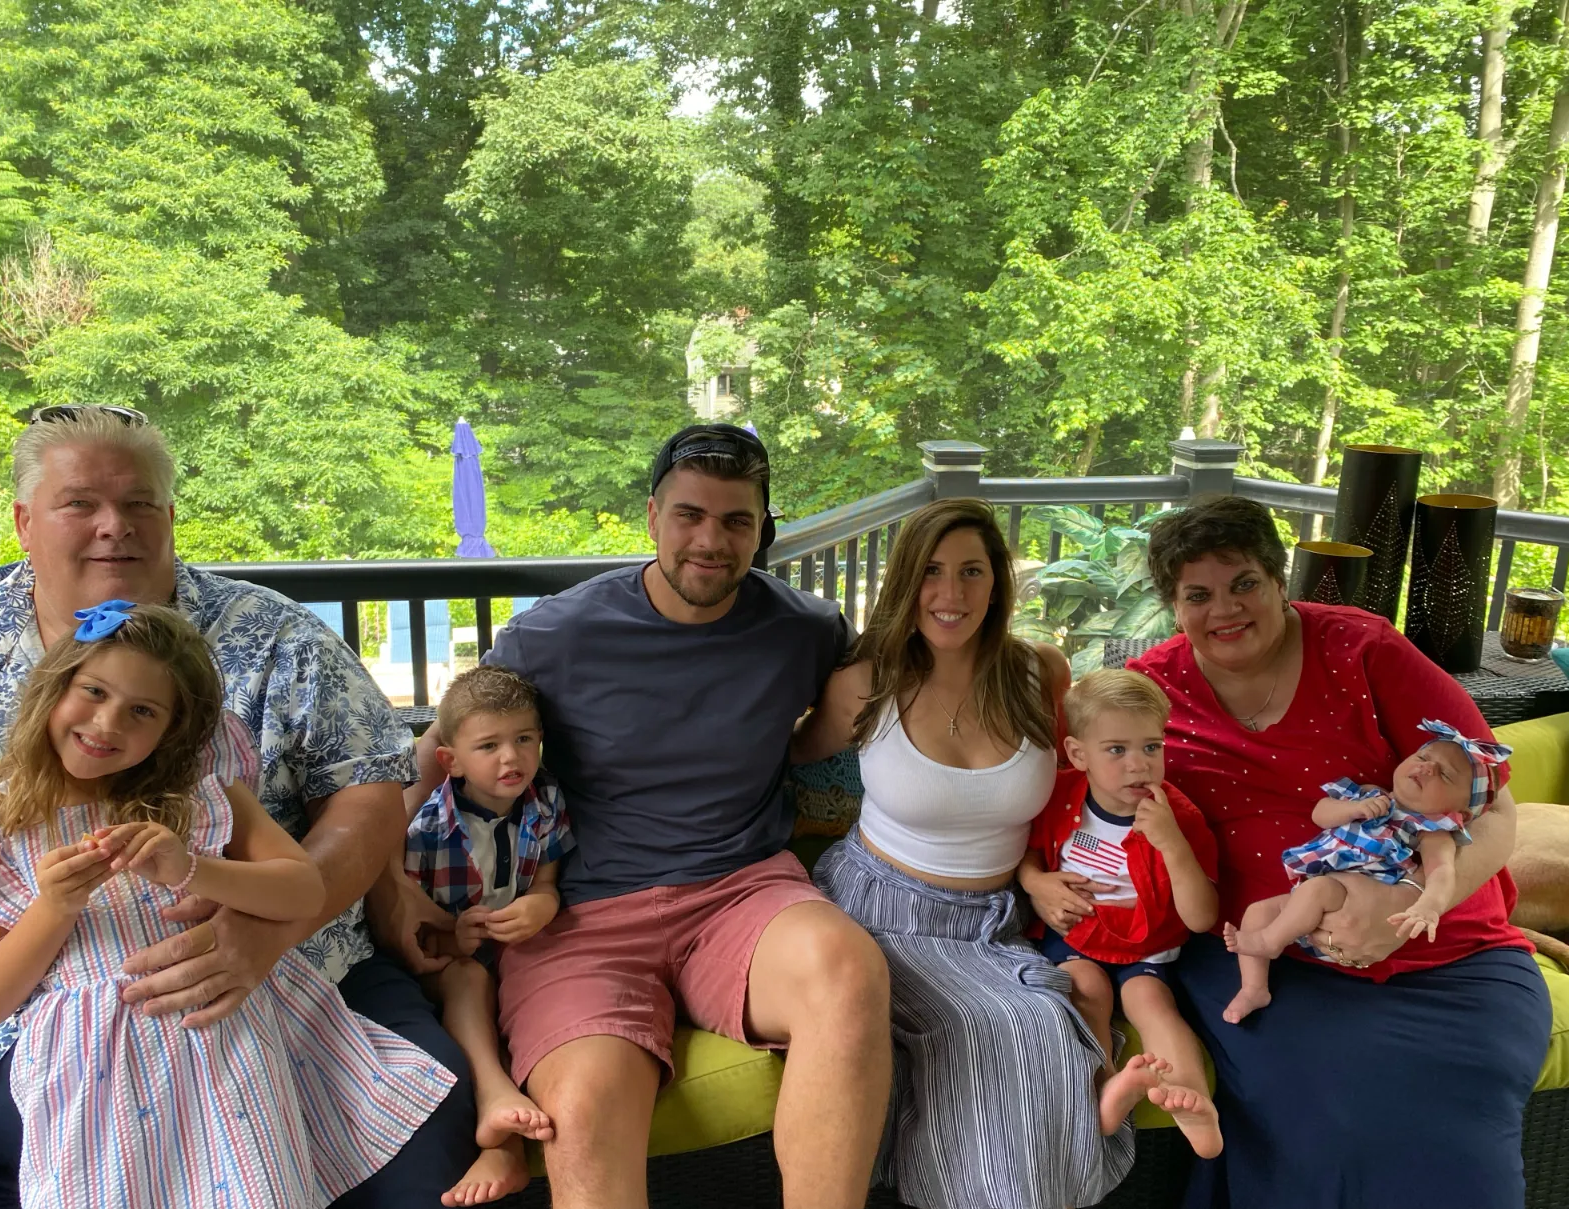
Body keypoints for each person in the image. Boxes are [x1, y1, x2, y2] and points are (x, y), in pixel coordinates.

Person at [0, 405, 477, 1207]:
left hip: (297, 980)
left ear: (170, 517)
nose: (113, 527)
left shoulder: (278, 638)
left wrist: (266, 927)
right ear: (25, 521)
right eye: (80, 504)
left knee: (421, 1152)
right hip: (38, 1015)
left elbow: (368, 797)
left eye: (138, 504)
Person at [371, 423, 892, 1209]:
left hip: (743, 892)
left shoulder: (805, 629)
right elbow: (443, 746)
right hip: (581, 914)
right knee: (581, 1109)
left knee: (848, 972)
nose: (711, 541)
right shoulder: (554, 635)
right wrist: (385, 878)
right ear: (652, 517)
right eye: (690, 515)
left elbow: (900, 683)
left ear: (763, 529)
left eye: (737, 521)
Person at [1127, 494, 1552, 1209]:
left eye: (1244, 584)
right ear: (1174, 605)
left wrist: (1411, 901)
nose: (1224, 609)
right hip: (1273, 959)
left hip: (1448, 953)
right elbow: (1068, 773)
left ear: (1277, 576)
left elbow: (1496, 801)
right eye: (1197, 594)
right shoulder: (1149, 691)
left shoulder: (1363, 649)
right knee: (1332, 1111)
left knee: (1456, 1121)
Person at [792, 497, 1133, 1209]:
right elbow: (786, 758)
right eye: (933, 572)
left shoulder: (1040, 673)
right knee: (1008, 1025)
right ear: (906, 582)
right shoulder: (869, 680)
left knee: (1037, 1027)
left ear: (997, 582)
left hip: (995, 919)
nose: (952, 595)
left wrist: (1036, 876)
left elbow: (1072, 796)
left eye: (972, 571)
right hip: (881, 914)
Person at [1021, 668, 1224, 1158]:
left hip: (1146, 943)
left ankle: (1196, 1108)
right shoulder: (1059, 795)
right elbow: (1026, 855)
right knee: (1085, 993)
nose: (1139, 765)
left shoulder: (1180, 815)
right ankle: (1105, 1089)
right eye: (1118, 750)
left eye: (1151, 747)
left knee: (1151, 1003)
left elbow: (1201, 918)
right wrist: (1036, 882)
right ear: (1077, 754)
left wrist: (1173, 845)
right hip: (1076, 935)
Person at [403, 666, 573, 1206]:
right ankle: (495, 1097)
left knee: (550, 982)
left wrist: (542, 904)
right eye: (489, 745)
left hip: (521, 952)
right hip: (452, 965)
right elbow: (405, 919)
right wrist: (451, 934)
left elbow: (547, 878)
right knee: (471, 981)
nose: (511, 758)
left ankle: (506, 1143)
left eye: (524, 739)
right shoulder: (426, 827)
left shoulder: (545, 801)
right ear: (450, 761)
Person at [1222, 720, 1511, 1022]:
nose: (1427, 768)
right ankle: (1254, 988)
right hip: (1309, 900)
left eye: (1445, 774)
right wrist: (1352, 810)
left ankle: (1270, 942)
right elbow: (1320, 812)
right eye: (1424, 758)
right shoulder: (1371, 794)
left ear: (1460, 812)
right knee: (1257, 912)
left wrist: (1428, 907)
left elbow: (1442, 872)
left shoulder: (1431, 830)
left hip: (1350, 900)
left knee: (1316, 891)